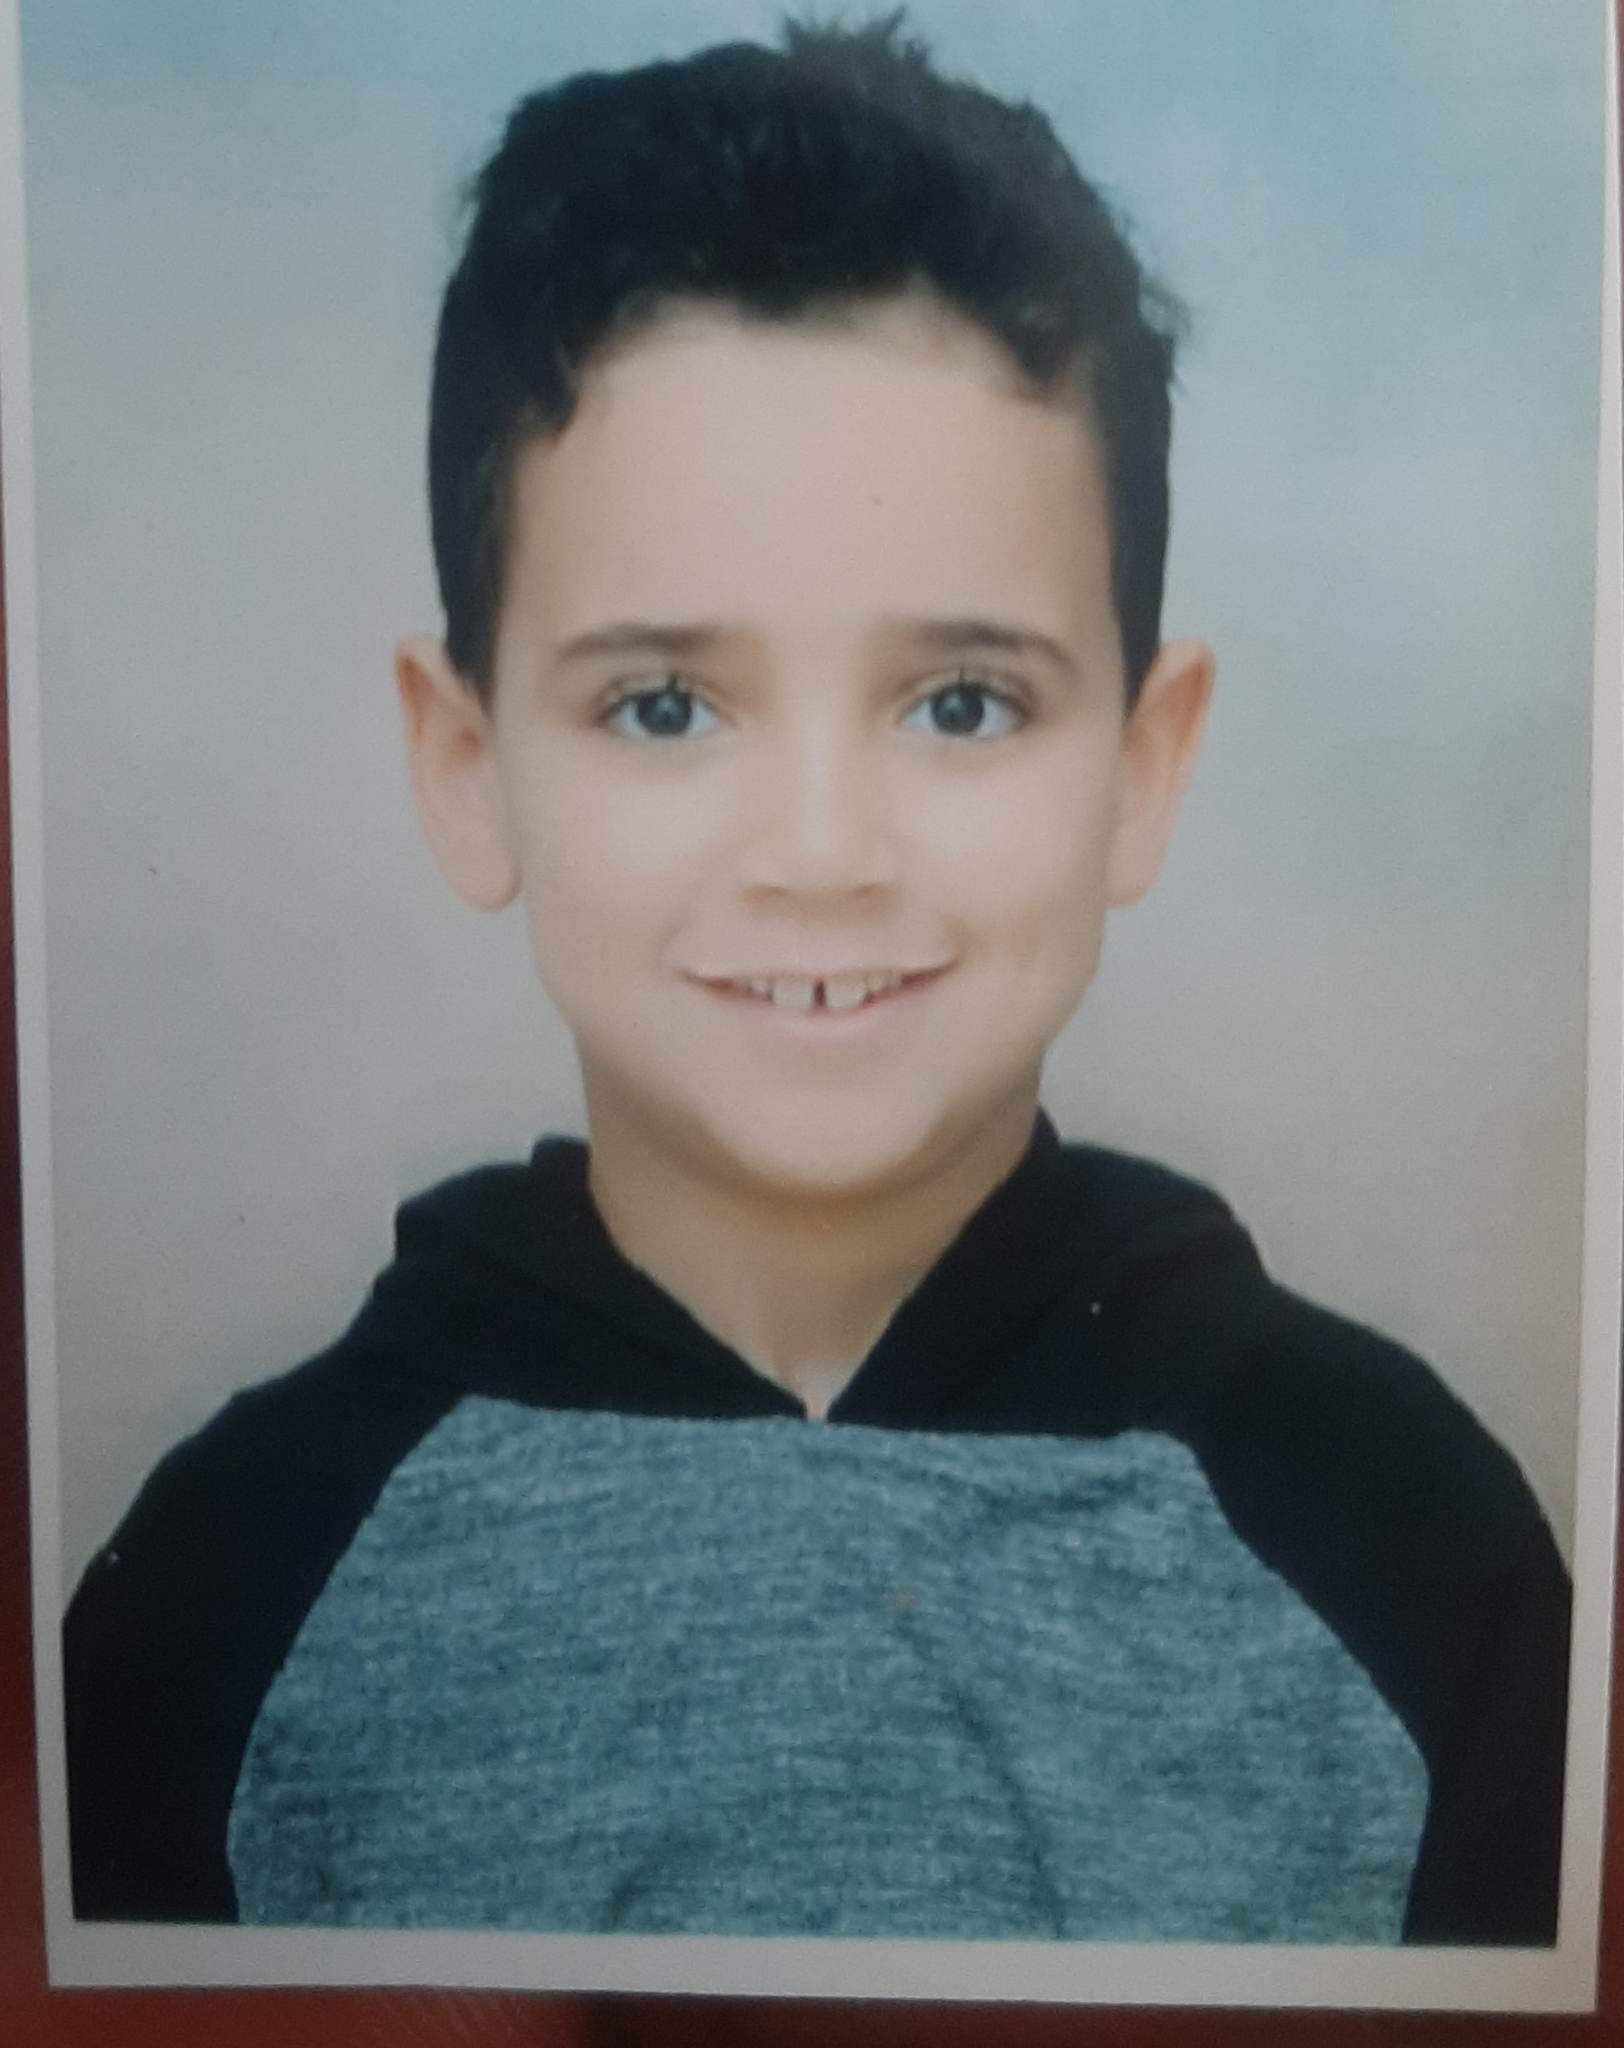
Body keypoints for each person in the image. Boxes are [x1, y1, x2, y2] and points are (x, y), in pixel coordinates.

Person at [63, 16, 1569, 1945]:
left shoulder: (1409, 1537)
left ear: (1144, 765)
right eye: (663, 705)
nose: (821, 851)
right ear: (466, 764)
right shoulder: (228, 1574)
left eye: (962, 703)